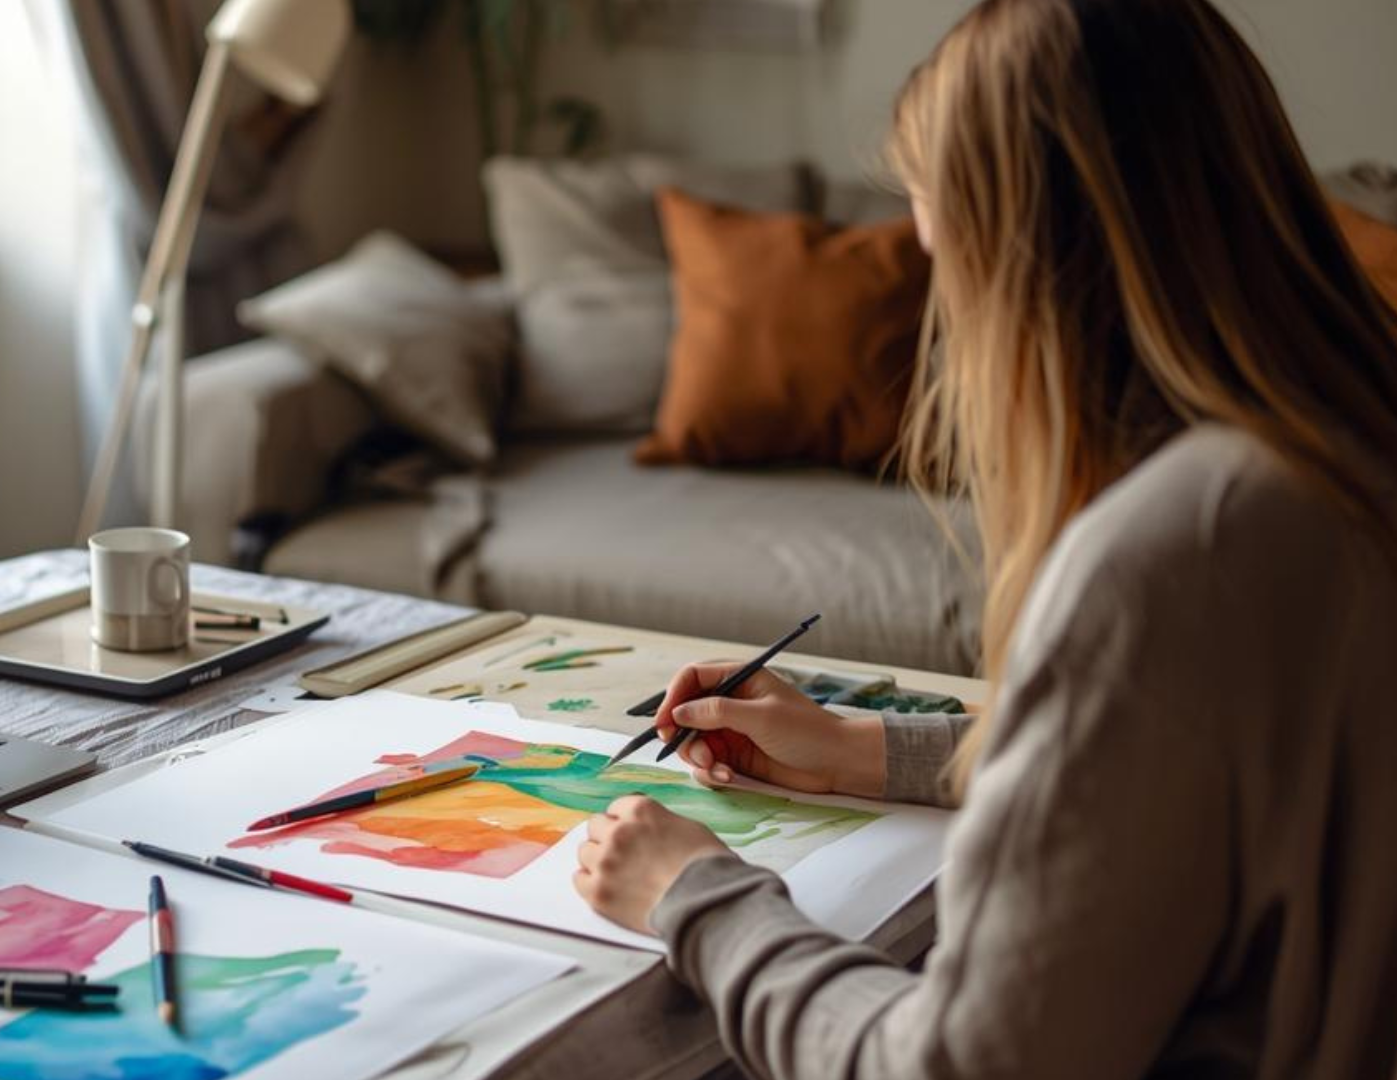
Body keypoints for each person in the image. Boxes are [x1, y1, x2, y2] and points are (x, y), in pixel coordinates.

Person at [570, 0, 1397, 1076]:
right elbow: (1170, 791)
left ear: (1023, 264)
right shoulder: (1338, 450)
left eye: (940, 257)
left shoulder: (1171, 554)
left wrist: (700, 900)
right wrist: (871, 749)